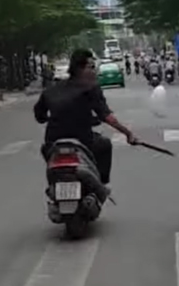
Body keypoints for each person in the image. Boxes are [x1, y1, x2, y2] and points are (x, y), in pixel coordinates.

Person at [34, 49, 139, 190]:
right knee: (105, 144)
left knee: (46, 151)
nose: (94, 71)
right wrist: (128, 134)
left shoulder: (52, 89)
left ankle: (54, 182)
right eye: (91, 67)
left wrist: (49, 118)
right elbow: (107, 117)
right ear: (79, 68)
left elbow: (39, 115)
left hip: (53, 141)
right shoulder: (91, 88)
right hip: (83, 141)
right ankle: (101, 184)